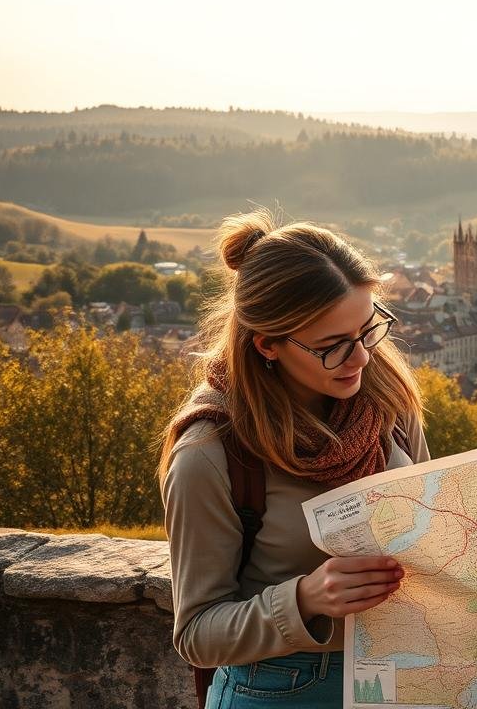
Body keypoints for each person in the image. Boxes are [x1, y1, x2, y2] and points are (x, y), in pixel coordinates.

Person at [158, 210, 429, 708]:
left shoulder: (386, 398)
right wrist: (304, 599)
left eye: (369, 330)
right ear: (268, 346)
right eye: (333, 347)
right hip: (280, 688)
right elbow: (197, 634)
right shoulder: (210, 452)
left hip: (399, 676)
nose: (362, 358)